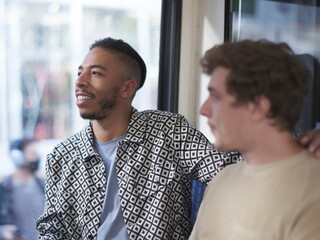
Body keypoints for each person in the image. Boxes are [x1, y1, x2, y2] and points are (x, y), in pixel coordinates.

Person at [36, 37, 320, 240]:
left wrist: (300, 143)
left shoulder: (167, 132)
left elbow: (231, 161)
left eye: (95, 73)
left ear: (127, 88)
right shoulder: (62, 156)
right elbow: (52, 229)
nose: (80, 81)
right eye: (79, 73)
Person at [189, 40, 320, 240]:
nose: (204, 110)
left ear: (258, 107)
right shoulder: (220, 180)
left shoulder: (312, 192)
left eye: (215, 97)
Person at [0, 138, 45, 240]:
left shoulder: (44, 186)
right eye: (33, 154)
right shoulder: (3, 190)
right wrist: (2, 232)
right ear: (17, 157)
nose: (37, 157)